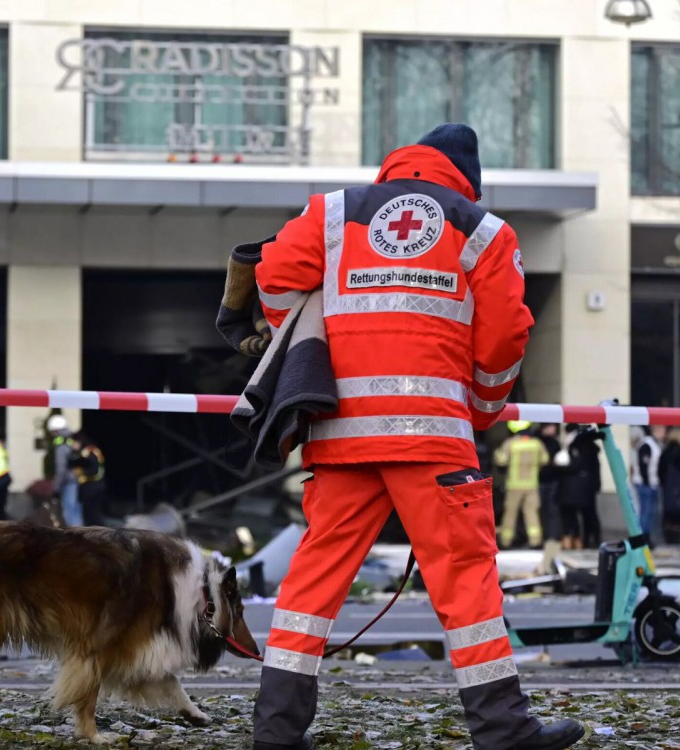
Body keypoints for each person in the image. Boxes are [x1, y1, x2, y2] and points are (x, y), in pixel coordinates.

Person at [250, 124, 582, 750]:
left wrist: (309, 348)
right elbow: (507, 333)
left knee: (311, 582)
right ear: (466, 180)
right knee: (464, 580)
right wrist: (480, 406)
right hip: (433, 438)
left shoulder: (333, 212)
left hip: (341, 432)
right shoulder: (483, 229)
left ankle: (275, 731)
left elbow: (272, 279)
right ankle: (502, 729)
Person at [494, 420, 550, 548]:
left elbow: (501, 461)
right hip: (532, 485)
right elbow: (545, 460)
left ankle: (505, 542)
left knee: (510, 513)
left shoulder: (510, 443)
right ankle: (535, 541)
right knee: (532, 513)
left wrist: (497, 453)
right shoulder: (537, 444)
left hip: (514, 485)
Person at [556, 423, 603, 550]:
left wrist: (559, 468)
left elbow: (573, 465)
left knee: (573, 514)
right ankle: (590, 539)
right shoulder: (589, 447)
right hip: (588, 485)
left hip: (576, 486)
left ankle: (577, 540)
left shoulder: (575, 445)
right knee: (588, 513)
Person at [535, 423, 564, 572]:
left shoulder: (554, 442)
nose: (553, 429)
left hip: (551, 482)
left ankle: (551, 538)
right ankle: (543, 539)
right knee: (539, 513)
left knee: (551, 512)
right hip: (538, 482)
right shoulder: (537, 441)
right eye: (550, 426)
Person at [658, 427, 680, 545]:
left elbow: (660, 471)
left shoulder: (665, 451)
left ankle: (669, 538)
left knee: (669, 514)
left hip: (668, 489)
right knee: (679, 514)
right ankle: (677, 539)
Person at [46, 414, 83, 527]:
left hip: (67, 481)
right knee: (75, 509)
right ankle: (82, 536)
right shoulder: (71, 440)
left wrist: (56, 489)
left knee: (68, 512)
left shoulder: (61, 445)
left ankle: (75, 540)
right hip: (76, 479)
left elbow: (61, 468)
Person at [632, 425, 664, 541]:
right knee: (645, 512)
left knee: (649, 513)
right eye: (660, 429)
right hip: (645, 484)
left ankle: (646, 536)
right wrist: (647, 483)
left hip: (652, 483)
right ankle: (642, 538)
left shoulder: (655, 444)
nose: (663, 432)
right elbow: (643, 466)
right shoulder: (647, 445)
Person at [71, 431, 108, 526]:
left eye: (74, 442)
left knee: (93, 515)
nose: (72, 445)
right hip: (95, 487)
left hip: (92, 488)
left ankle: (98, 536)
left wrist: (79, 472)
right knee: (92, 514)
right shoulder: (90, 450)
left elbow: (93, 468)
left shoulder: (89, 451)